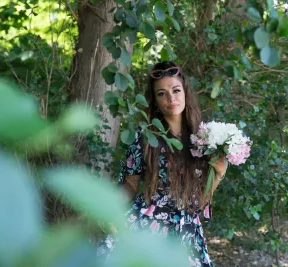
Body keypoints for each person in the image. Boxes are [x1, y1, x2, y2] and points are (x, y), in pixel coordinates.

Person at [97, 61, 228, 266]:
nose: (171, 98)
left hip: (187, 230)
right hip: (148, 224)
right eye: (161, 94)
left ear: (185, 91)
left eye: (176, 90)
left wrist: (219, 173)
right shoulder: (146, 136)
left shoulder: (205, 138)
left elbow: (199, 201)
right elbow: (130, 184)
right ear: (155, 101)